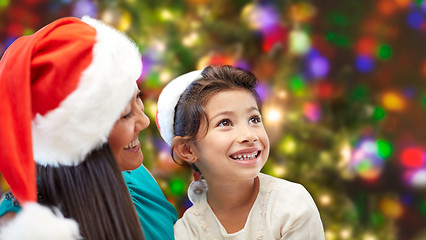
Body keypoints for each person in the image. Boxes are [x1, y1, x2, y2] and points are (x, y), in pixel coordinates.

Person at [0, 16, 177, 240]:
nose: (144, 122)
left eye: (138, 98)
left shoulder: (138, 176)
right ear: (76, 138)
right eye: (125, 114)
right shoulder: (24, 230)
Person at [156, 65, 326, 239]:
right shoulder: (186, 232)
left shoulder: (291, 204)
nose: (249, 135)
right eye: (225, 123)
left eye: (254, 119)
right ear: (187, 149)